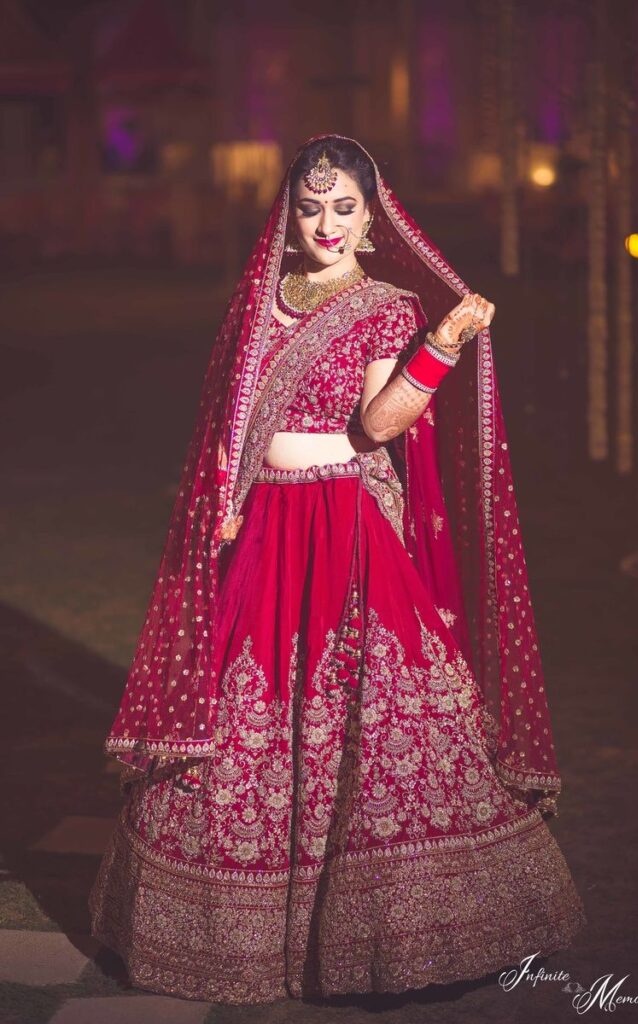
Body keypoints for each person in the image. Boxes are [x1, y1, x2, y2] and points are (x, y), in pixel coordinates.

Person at [89, 134, 587, 1004]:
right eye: (311, 206)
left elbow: (380, 425)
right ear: (290, 212)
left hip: (341, 523)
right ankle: (224, 936)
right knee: (242, 709)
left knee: (381, 712)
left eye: (344, 208)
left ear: (371, 216)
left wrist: (440, 341)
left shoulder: (382, 305)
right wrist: (226, 494)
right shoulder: (261, 296)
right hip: (262, 525)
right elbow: (231, 416)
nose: (325, 223)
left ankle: (392, 934)